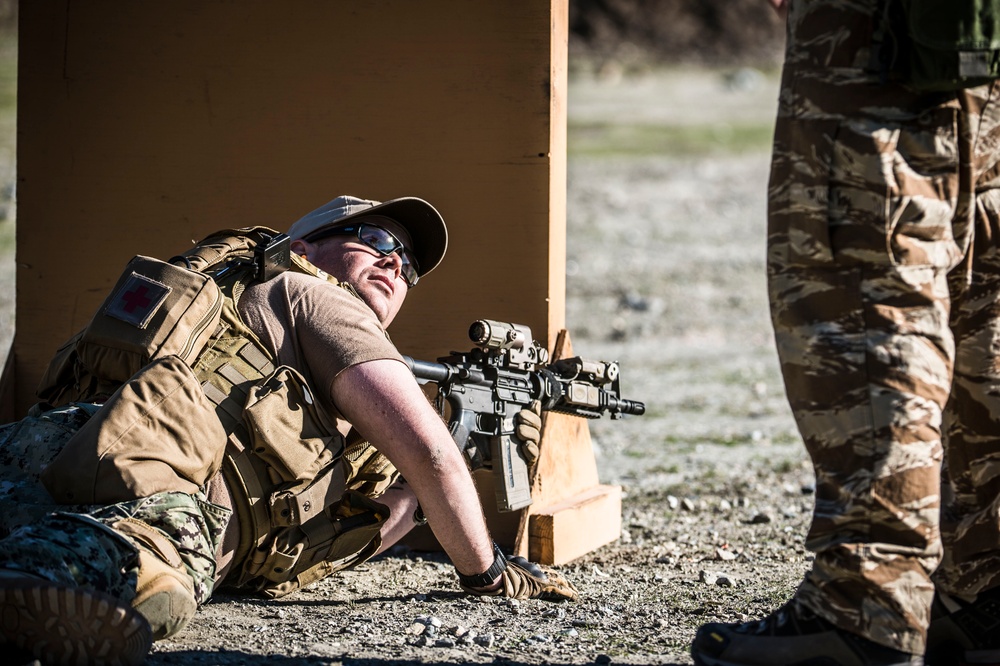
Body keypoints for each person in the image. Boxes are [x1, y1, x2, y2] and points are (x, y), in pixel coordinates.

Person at [0, 194, 577, 666]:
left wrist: (452, 467)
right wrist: (488, 571)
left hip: (61, 451)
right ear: (304, 249)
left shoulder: (277, 327)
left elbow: (340, 532)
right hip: (151, 495)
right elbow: (427, 454)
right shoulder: (320, 297)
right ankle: (38, 576)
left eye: (409, 263)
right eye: (373, 240)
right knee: (139, 575)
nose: (395, 262)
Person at [690, 1, 1000, 665]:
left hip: (874, 32)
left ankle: (866, 607)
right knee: (987, 295)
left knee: (865, 289)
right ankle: (986, 594)